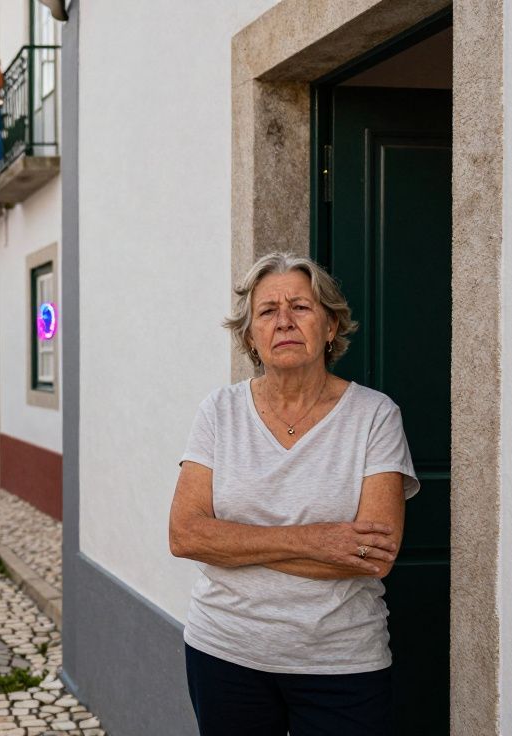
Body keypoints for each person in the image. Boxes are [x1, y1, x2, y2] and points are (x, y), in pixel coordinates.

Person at [168, 252, 419, 735]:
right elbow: (185, 535)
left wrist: (234, 544)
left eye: (301, 307)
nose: (284, 321)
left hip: (341, 662)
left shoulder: (374, 416)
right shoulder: (219, 412)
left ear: (330, 327)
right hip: (224, 651)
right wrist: (319, 541)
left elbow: (374, 555)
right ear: (250, 336)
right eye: (267, 311)